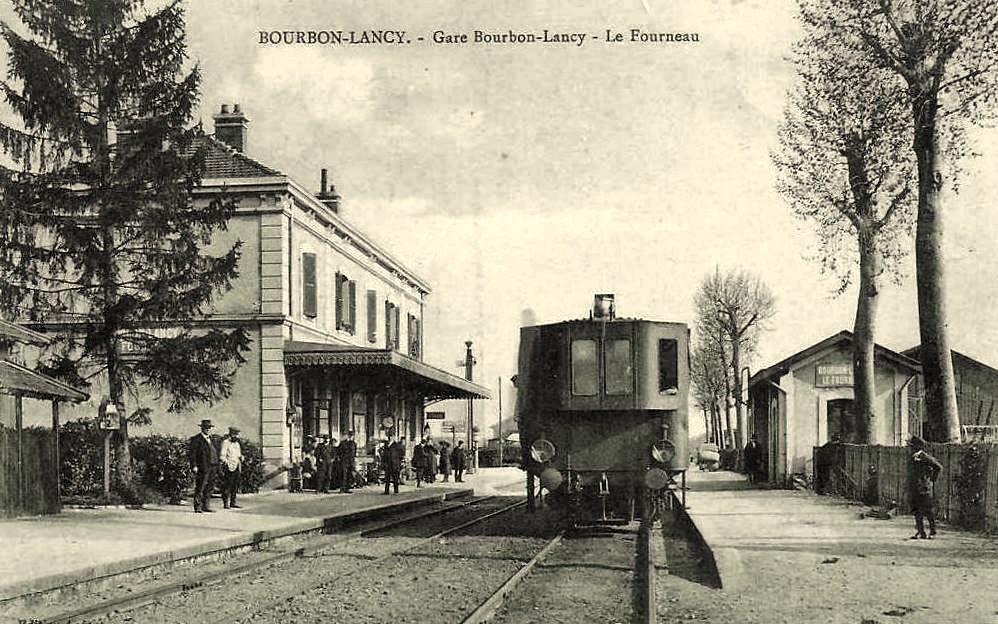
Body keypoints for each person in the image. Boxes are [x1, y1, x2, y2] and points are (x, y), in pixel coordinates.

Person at [908, 435, 942, 539]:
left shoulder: (924, 457)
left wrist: (931, 479)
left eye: (912, 446)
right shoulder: (912, 457)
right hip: (914, 487)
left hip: (924, 487)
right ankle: (921, 531)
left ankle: (933, 531)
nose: (910, 448)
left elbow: (938, 467)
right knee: (916, 511)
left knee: (928, 510)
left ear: (917, 447)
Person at [188, 419, 219, 513]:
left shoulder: (212, 439)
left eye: (210, 428)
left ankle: (206, 506)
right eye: (206, 428)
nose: (208, 429)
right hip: (203, 466)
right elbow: (192, 454)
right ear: (202, 428)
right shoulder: (196, 439)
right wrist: (194, 465)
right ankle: (197, 506)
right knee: (200, 486)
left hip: (213, 465)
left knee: (210, 487)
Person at [219, 426, 243, 509]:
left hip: (236, 466)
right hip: (228, 467)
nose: (236, 436)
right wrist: (226, 463)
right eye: (234, 434)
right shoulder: (225, 443)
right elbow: (222, 455)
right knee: (227, 485)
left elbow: (238, 454)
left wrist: (241, 457)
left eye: (237, 434)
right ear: (230, 434)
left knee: (235, 485)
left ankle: (233, 502)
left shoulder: (237, 444)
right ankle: (226, 503)